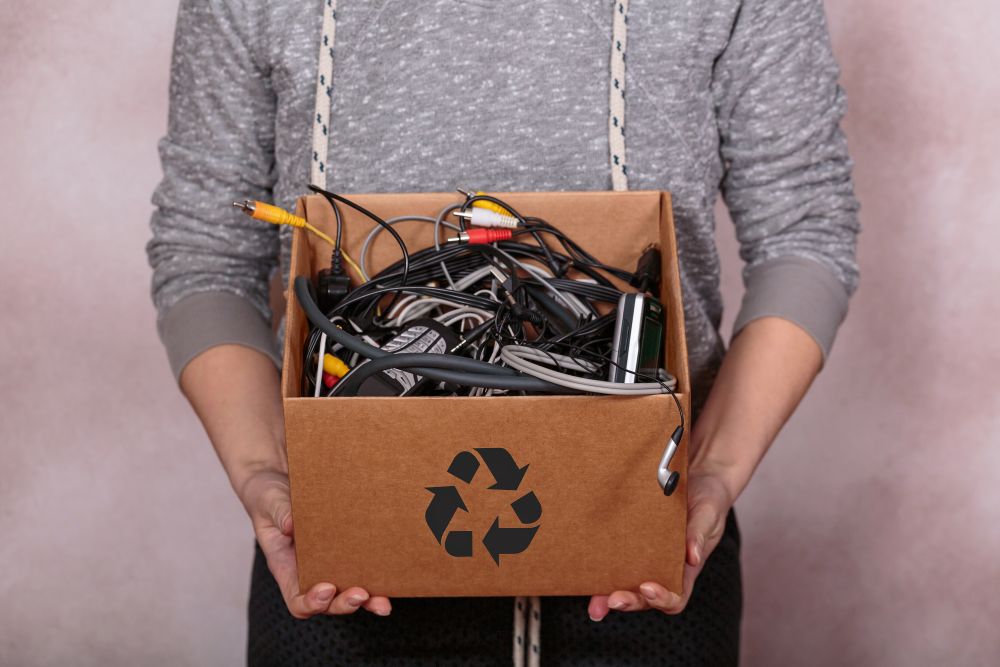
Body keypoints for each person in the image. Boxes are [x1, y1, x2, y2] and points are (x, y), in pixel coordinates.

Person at [147, 0, 859, 664]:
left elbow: (805, 233)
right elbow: (206, 261)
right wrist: (264, 472)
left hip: (653, 544)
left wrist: (713, 470)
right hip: (340, 575)